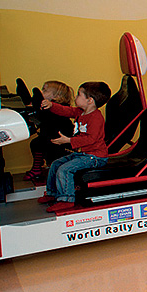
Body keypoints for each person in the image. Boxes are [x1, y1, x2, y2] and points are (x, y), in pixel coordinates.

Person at [37, 81, 111, 212]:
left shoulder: (96, 118)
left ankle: (67, 200)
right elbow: (66, 111)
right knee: (55, 164)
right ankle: (52, 193)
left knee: (65, 169)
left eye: (79, 95)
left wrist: (68, 141)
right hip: (83, 154)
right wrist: (52, 105)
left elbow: (91, 139)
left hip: (95, 157)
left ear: (90, 100)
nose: (75, 97)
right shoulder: (81, 112)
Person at [23, 80, 75, 184]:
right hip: (49, 136)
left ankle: (50, 172)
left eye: (45, 90)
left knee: (46, 148)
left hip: (60, 140)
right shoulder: (48, 107)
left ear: (56, 96)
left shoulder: (59, 108)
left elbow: (46, 117)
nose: (42, 92)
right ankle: (37, 168)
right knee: (35, 143)